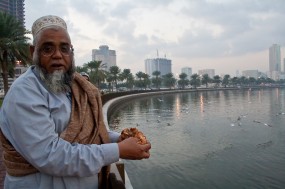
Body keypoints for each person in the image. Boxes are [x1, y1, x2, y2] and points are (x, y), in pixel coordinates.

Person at [0, 15, 151, 189]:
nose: (58, 55)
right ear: (32, 52)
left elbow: (91, 133)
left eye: (64, 49)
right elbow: (51, 155)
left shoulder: (75, 87)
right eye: (48, 49)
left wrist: (121, 139)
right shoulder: (24, 93)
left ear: (71, 52)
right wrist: (119, 150)